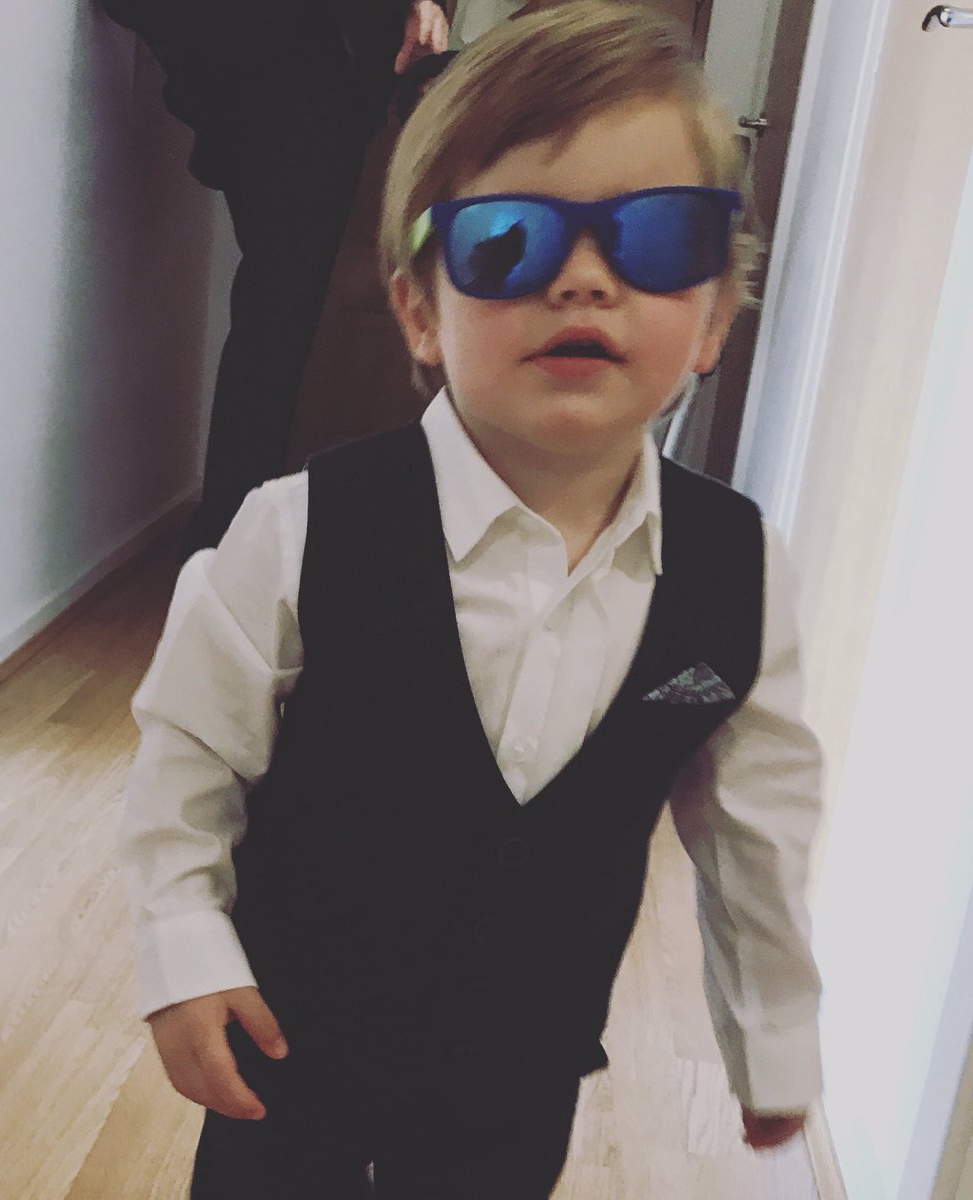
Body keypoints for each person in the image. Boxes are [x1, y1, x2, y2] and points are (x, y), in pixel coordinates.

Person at [117, 3, 826, 1196]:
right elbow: (187, 759)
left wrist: (774, 1038)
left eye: (658, 238)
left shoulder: (738, 570)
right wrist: (183, 949)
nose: (586, 279)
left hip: (518, 1092)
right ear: (419, 311)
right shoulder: (295, 531)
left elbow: (757, 828)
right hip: (285, 1068)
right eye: (509, 241)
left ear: (712, 315)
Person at [101, 0, 449, 555]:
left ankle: (231, 534)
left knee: (279, 311)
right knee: (278, 313)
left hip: (309, 66)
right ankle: (230, 539)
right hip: (290, 66)